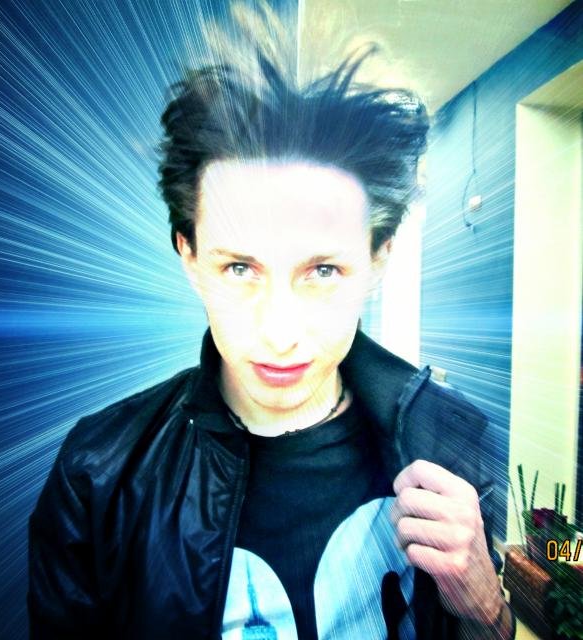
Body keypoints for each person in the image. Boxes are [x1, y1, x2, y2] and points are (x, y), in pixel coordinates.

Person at [27, 3, 515, 639]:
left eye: (322, 270)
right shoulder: (96, 478)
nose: (280, 333)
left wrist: (486, 607)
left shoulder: (450, 441)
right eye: (240, 268)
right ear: (190, 257)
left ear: (377, 260)